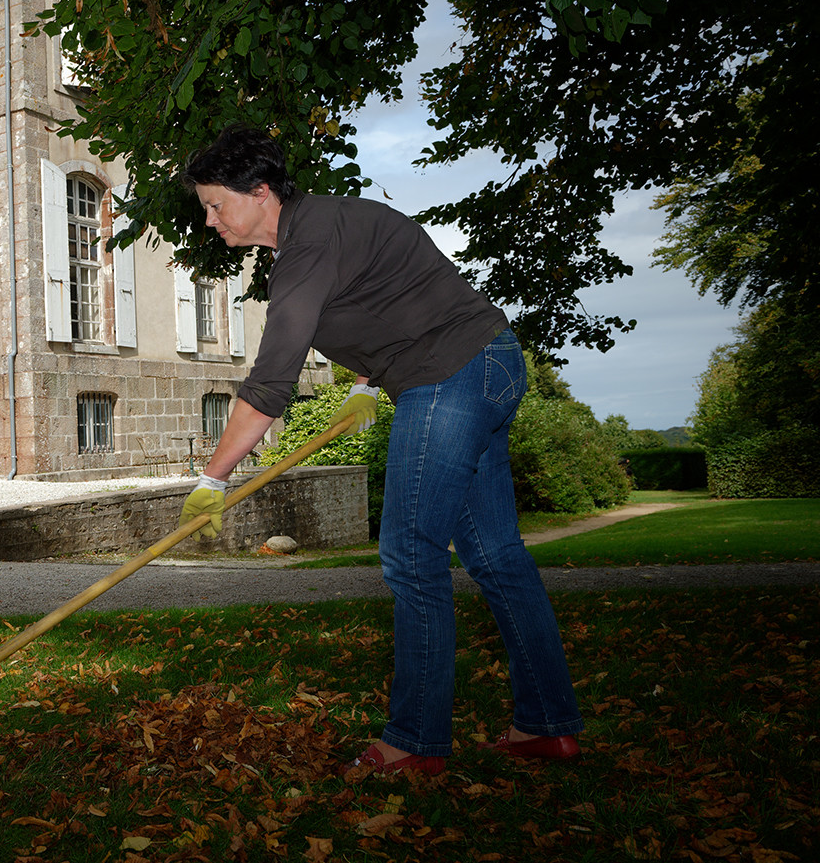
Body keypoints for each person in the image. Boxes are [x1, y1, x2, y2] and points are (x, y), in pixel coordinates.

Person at [177, 124, 582, 776]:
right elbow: (394, 298)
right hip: (491, 363)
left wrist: (212, 477)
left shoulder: (306, 250)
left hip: (449, 375)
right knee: (496, 555)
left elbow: (270, 383)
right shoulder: (326, 227)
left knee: (410, 554)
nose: (210, 220)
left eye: (216, 204)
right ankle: (547, 724)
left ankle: (416, 741)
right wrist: (367, 383)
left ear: (259, 192)